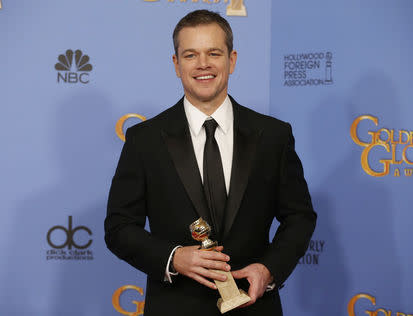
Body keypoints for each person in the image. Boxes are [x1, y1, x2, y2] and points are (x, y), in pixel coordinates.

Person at [105, 9, 316, 316]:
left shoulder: (273, 136)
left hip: (254, 307)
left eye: (213, 53)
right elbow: (119, 227)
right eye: (190, 55)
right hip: (175, 307)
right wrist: (173, 257)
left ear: (231, 60)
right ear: (177, 65)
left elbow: (299, 217)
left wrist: (269, 269)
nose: (203, 64)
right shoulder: (144, 140)